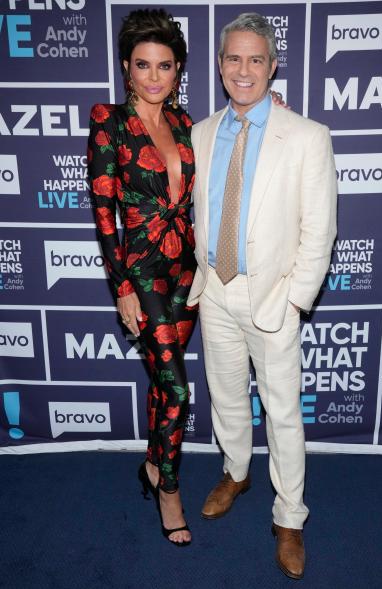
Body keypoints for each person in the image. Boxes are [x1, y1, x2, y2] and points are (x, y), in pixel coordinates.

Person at [188, 13, 337, 578]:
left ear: (273, 65)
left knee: (282, 416)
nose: (243, 70)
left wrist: (296, 300)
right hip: (216, 290)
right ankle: (235, 470)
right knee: (225, 395)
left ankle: (290, 518)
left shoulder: (306, 136)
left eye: (255, 59)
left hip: (273, 299)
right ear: (220, 66)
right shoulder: (201, 132)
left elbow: (319, 230)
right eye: (233, 59)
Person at [88, 9, 197, 546]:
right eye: (143, 65)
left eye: (165, 66)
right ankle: (169, 491)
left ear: (178, 71)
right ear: (127, 69)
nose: (154, 77)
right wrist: (122, 287)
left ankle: (155, 463)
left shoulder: (184, 123)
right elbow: (103, 212)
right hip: (142, 271)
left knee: (161, 381)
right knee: (178, 389)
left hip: (187, 270)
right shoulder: (108, 122)